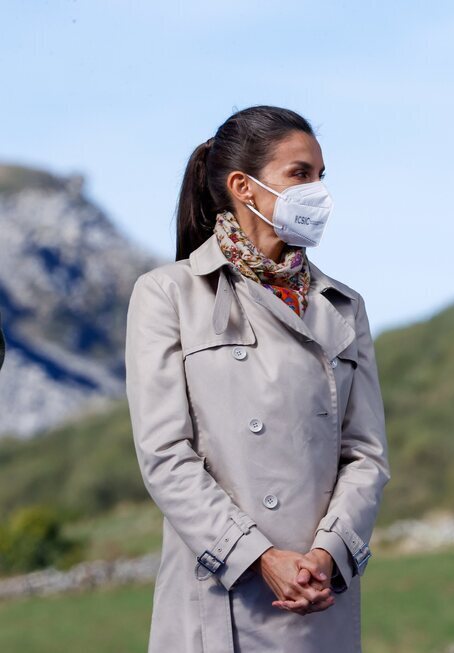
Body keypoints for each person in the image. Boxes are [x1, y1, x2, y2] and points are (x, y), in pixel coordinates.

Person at [125, 105, 390, 653]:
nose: (317, 191)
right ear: (243, 187)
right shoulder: (168, 294)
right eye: (300, 175)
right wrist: (257, 556)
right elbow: (164, 454)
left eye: (320, 176)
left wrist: (328, 554)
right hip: (222, 591)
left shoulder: (343, 305)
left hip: (320, 594)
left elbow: (365, 453)